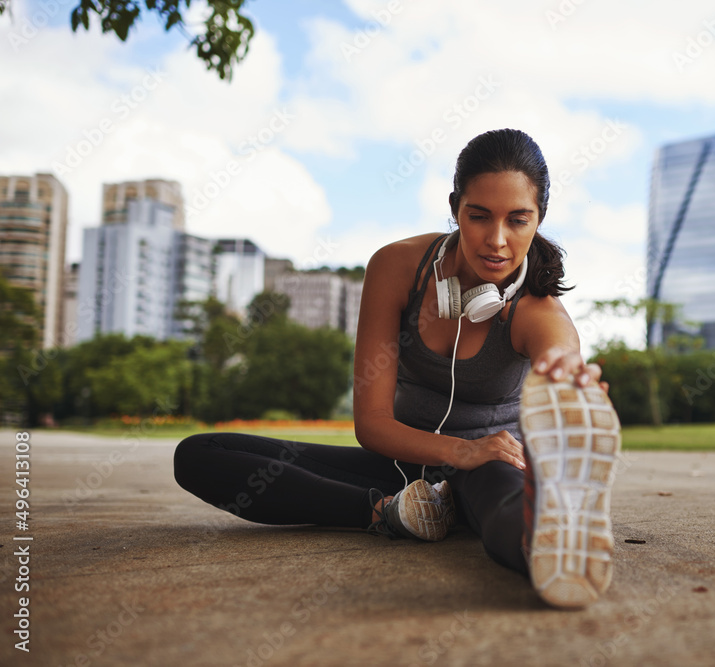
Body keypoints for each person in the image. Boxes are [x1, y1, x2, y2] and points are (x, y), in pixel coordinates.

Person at [174, 129, 622, 608]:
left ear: (539, 220)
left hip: (492, 466)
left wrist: (567, 382)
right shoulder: (397, 268)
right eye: (478, 216)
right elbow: (371, 423)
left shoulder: (537, 309)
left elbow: (560, 353)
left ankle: (555, 547)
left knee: (501, 502)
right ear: (454, 208)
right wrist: (457, 451)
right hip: (398, 464)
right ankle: (391, 512)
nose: (496, 240)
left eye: (518, 220)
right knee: (202, 454)